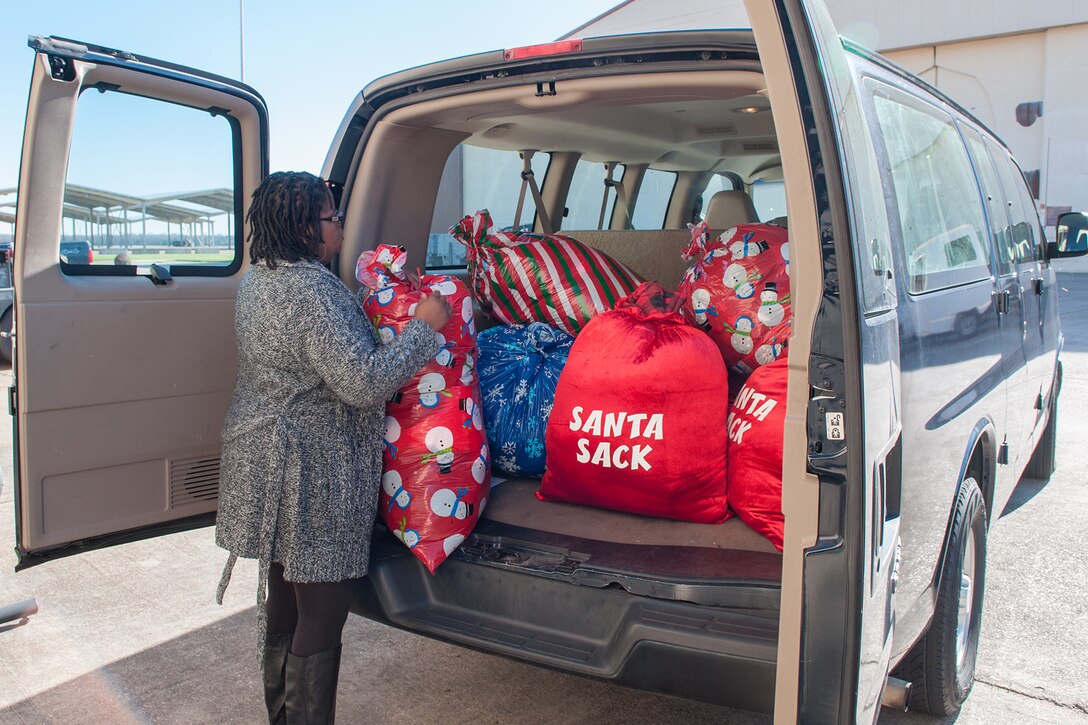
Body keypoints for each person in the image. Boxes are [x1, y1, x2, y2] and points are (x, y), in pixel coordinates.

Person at [214, 171, 450, 724]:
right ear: (304, 227)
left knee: (284, 607)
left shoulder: (259, 279)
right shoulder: (309, 290)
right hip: (311, 473)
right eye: (332, 217)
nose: (339, 225)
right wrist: (424, 327)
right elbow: (363, 383)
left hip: (266, 462)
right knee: (320, 616)